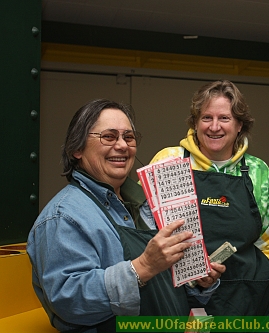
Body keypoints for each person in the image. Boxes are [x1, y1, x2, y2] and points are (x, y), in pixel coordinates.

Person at [27, 99, 224, 332]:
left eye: (128, 137)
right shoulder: (64, 217)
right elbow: (67, 302)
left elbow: (165, 289)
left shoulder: (147, 207)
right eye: (108, 137)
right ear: (76, 149)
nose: (122, 146)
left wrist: (197, 283)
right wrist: (142, 266)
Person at [149, 80, 269, 316]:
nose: (214, 127)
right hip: (177, 302)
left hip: (243, 302)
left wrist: (264, 282)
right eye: (206, 118)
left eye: (224, 118)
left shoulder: (257, 171)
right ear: (195, 123)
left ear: (239, 125)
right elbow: (139, 228)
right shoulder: (171, 161)